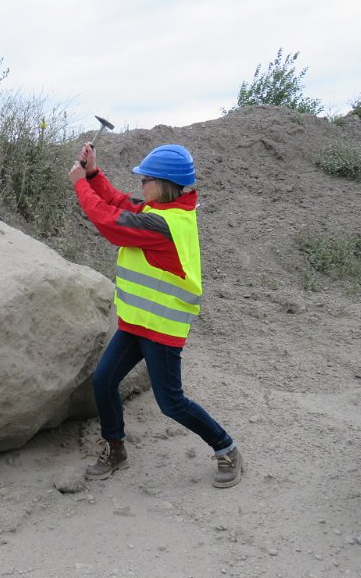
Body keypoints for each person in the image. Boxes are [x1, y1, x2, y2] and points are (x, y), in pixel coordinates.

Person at [67, 142, 243, 488]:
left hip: (161, 328)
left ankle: (227, 449)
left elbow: (110, 221)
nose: (140, 184)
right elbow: (119, 202)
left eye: (145, 178)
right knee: (103, 380)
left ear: (162, 184)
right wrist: (93, 175)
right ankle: (115, 448)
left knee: (172, 403)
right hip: (138, 322)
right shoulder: (162, 211)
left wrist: (79, 184)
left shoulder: (163, 224)